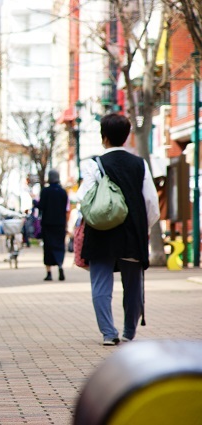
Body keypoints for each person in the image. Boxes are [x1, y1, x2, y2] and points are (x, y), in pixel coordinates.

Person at [76, 113, 159, 346]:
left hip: (101, 231)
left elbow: (83, 198)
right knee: (133, 285)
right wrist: (144, 226)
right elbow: (151, 203)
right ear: (126, 136)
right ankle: (129, 332)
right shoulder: (139, 164)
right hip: (132, 233)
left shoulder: (95, 164)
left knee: (101, 284)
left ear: (104, 137)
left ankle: (108, 333)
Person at [38, 169, 69, 281]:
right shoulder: (63, 192)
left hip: (48, 224)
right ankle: (60, 265)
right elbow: (66, 208)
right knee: (60, 246)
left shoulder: (45, 191)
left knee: (48, 247)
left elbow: (41, 206)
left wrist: (35, 203)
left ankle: (49, 273)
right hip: (60, 224)